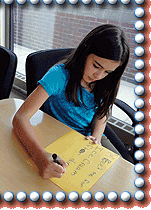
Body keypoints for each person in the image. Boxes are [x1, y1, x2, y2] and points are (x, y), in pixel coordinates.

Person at [12, 24, 130, 179]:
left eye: (107, 71)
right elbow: (20, 118)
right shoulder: (59, 76)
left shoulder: (108, 81)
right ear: (86, 50)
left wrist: (97, 137)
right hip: (60, 136)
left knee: (121, 174)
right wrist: (39, 156)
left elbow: (102, 112)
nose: (99, 75)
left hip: (91, 137)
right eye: (96, 65)